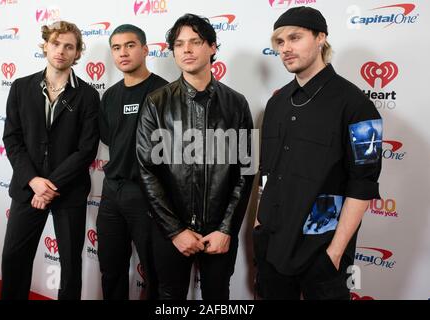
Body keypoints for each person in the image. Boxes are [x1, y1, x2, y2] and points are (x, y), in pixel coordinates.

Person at [254, 6, 383, 300]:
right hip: (272, 246)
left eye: (294, 38)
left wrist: (334, 253)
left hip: (322, 252)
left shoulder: (356, 105)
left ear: (321, 37)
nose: (285, 49)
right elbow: (267, 173)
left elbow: (363, 185)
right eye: (280, 42)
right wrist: (258, 227)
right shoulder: (276, 104)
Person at [136, 13, 254, 300]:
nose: (186, 50)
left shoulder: (237, 103)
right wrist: (176, 231)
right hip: (170, 232)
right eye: (179, 44)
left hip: (219, 233)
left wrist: (226, 229)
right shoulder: (156, 102)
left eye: (195, 42)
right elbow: (147, 170)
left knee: (217, 297)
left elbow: (246, 171)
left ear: (212, 47)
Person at [1, 20, 100, 300]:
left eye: (69, 46)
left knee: (69, 266)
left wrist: (50, 185)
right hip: (27, 188)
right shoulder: (20, 87)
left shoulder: (89, 95)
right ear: (45, 45)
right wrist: (33, 181)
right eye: (56, 43)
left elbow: (86, 150)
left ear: (77, 53)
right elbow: (12, 139)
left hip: (68, 191)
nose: (61, 51)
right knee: (13, 259)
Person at [97, 24, 168, 300]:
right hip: (112, 192)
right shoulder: (110, 96)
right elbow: (108, 138)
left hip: (148, 194)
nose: (123, 53)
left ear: (145, 49)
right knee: (111, 268)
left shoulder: (164, 92)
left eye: (129, 45)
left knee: (155, 272)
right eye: (116, 47)